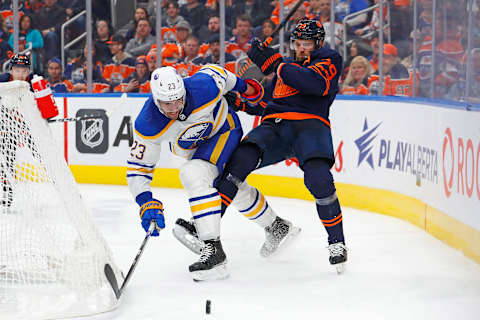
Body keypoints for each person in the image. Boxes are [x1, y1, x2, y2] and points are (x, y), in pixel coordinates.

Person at [127, 65, 300, 281]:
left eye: (178, 100)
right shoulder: (148, 123)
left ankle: (212, 248)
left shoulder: (203, 86)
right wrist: (145, 201)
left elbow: (221, 74)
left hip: (224, 130)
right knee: (226, 187)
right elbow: (138, 168)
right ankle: (276, 226)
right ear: (155, 99)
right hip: (194, 148)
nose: (174, 108)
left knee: (193, 175)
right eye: (166, 103)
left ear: (183, 90)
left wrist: (247, 89)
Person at [214, 19, 348, 273]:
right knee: (239, 160)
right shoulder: (286, 68)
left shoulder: (330, 59)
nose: (301, 48)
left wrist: (275, 63)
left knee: (319, 180)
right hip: (275, 126)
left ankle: (337, 242)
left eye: (306, 44)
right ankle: (206, 232)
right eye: (297, 43)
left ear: (318, 43)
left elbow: (313, 83)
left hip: (310, 126)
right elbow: (265, 103)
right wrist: (239, 102)